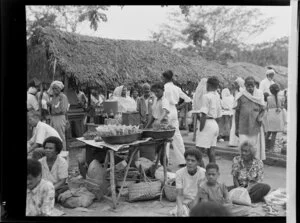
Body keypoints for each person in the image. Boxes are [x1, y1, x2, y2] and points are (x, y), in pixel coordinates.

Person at [162, 70, 192, 167]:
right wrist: (179, 107)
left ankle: (164, 160)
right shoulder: (176, 88)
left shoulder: (164, 88)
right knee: (176, 135)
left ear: (165, 78)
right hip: (174, 110)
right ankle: (183, 160)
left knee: (164, 135)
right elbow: (188, 99)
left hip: (166, 110)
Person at [235, 76, 266, 160]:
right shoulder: (241, 96)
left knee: (254, 149)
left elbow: (263, 109)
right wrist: (236, 128)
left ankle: (254, 167)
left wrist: (259, 117)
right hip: (243, 126)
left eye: (252, 85)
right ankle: (243, 167)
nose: (250, 87)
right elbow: (237, 112)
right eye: (248, 85)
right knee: (243, 147)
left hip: (255, 126)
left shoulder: (259, 95)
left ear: (255, 85)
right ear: (245, 85)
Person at [170, 148, 206, 216]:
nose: (189, 163)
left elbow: (200, 194)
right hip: (185, 202)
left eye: (193, 161)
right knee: (178, 213)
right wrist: (180, 208)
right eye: (188, 160)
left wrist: (194, 206)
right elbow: (179, 194)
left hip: (199, 200)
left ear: (198, 162)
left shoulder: (203, 173)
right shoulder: (179, 173)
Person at [196, 76, 222, 167]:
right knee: (211, 150)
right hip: (214, 123)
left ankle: (202, 170)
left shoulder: (206, 96)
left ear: (208, 85)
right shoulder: (217, 96)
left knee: (198, 150)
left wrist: (201, 128)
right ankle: (213, 170)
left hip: (207, 123)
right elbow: (219, 114)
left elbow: (203, 114)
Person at [145, 82, 170, 165]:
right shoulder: (155, 100)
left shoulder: (164, 100)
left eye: (158, 91)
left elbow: (165, 111)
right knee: (158, 147)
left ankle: (163, 165)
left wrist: (159, 120)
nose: (156, 93)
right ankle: (160, 165)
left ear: (163, 90)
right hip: (155, 124)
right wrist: (147, 127)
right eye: (155, 92)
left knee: (160, 146)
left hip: (163, 124)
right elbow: (153, 115)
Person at [39, 136, 69, 200]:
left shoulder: (62, 162)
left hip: (58, 187)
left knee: (62, 191)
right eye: (46, 148)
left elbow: (62, 181)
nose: (47, 150)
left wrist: (50, 189)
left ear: (56, 151)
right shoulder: (40, 162)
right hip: (44, 187)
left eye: (50, 148)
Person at [47, 81, 69, 151]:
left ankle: (63, 151)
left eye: (56, 88)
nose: (54, 90)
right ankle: (56, 150)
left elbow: (62, 109)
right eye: (53, 88)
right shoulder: (53, 97)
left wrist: (51, 105)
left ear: (60, 89)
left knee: (60, 135)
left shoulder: (63, 97)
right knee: (53, 134)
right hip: (53, 117)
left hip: (60, 117)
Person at [265, 84, 287, 151]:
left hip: (270, 116)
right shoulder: (281, 98)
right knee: (274, 134)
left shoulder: (268, 98)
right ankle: (271, 148)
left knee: (268, 132)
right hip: (277, 116)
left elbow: (267, 107)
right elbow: (282, 106)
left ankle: (263, 146)